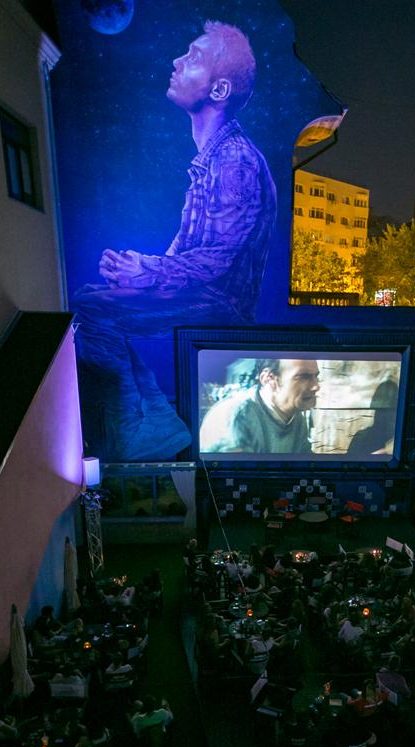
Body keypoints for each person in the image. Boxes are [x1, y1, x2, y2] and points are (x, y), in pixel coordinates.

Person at [75, 21, 276, 460]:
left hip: (221, 305)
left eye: (194, 57)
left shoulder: (234, 161)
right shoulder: (213, 157)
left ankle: (141, 426)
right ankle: (155, 421)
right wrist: (136, 275)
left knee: (92, 309)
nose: (177, 61)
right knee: (94, 298)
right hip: (203, 292)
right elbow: (185, 250)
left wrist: (146, 272)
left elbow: (217, 258)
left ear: (219, 90)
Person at [200, 357, 320, 453]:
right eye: (304, 377)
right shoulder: (235, 417)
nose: (316, 386)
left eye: (316, 376)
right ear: (269, 379)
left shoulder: (296, 418)